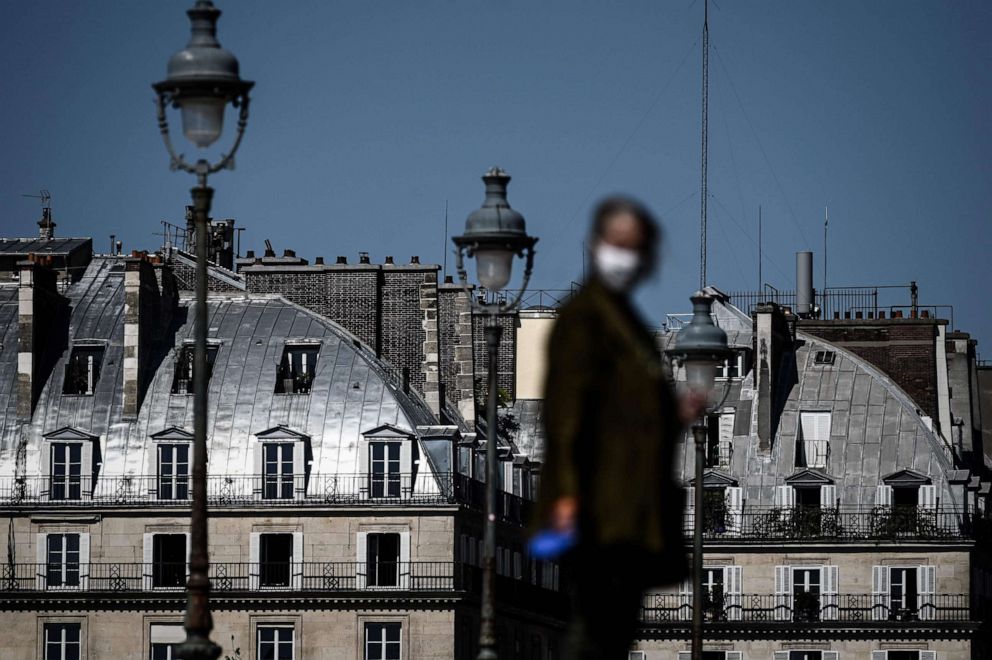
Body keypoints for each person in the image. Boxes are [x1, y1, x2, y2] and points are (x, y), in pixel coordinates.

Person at [536, 196, 706, 659]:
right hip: (598, 505)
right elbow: (566, 414)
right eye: (619, 244)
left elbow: (625, 414)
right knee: (597, 630)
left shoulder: (622, 319)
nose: (626, 257)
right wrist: (569, 497)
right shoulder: (585, 320)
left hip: (627, 504)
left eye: (636, 247)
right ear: (595, 245)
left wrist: (673, 418)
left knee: (611, 630)